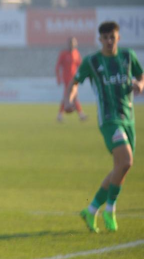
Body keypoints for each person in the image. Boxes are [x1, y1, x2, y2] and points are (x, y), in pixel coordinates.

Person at [65, 21, 143, 233]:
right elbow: (74, 81)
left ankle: (91, 210)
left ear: (119, 38)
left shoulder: (128, 56)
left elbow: (141, 76)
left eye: (113, 37)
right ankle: (110, 209)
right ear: (100, 40)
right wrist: (70, 101)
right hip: (109, 120)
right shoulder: (93, 61)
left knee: (122, 167)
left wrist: (140, 85)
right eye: (105, 38)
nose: (109, 41)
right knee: (126, 160)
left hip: (128, 118)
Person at [56, 37, 87, 122]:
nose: (72, 44)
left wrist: (82, 76)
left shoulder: (76, 53)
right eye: (70, 43)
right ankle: (80, 114)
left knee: (70, 96)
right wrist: (59, 77)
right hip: (66, 79)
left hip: (74, 79)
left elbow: (80, 66)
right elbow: (58, 66)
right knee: (72, 96)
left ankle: (60, 115)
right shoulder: (63, 54)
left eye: (73, 43)